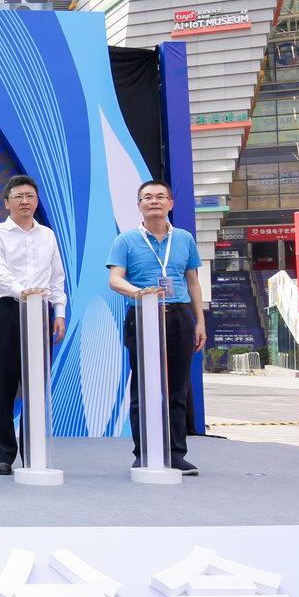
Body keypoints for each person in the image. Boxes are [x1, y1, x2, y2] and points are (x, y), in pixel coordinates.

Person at [107, 179, 207, 476]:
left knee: (177, 388)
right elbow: (115, 279)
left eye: (160, 197)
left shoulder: (184, 239)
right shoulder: (125, 240)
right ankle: (144, 453)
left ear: (170, 204)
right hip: (143, 314)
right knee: (143, 387)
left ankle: (176, 454)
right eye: (148, 197)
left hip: (179, 316)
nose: (154, 201)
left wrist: (199, 320)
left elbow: (193, 281)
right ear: (139, 205)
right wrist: (139, 293)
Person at [0, 175, 66, 475]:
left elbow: (56, 277)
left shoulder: (47, 235)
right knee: (2, 386)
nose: (25, 201)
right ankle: (3, 455)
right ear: (7, 203)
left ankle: (34, 452)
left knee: (36, 386)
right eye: (18, 196)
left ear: (37, 200)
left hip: (40, 311)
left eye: (29, 196)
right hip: (6, 310)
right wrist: (23, 292)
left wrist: (59, 312)